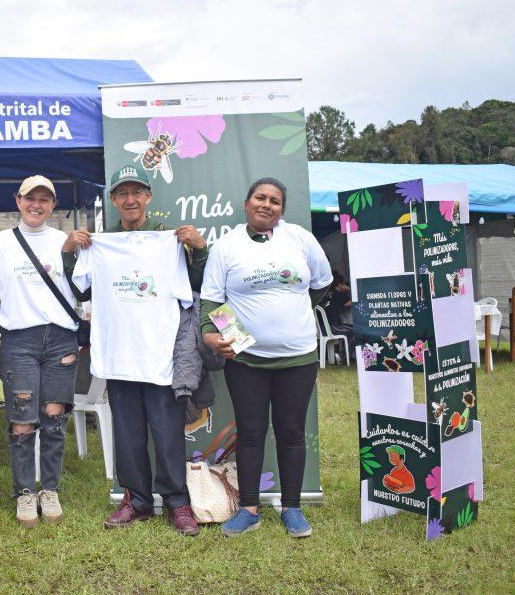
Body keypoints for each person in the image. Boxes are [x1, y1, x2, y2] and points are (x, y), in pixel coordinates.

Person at [63, 164, 208, 536]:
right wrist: (69, 254)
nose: (130, 199)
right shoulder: (101, 244)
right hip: (120, 355)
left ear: (147, 198)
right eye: (122, 194)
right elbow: (81, 291)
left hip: (159, 354)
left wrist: (200, 250)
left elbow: (193, 287)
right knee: (127, 433)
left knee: (168, 432)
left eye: (136, 193)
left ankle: (177, 502)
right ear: (114, 200)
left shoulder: (168, 242)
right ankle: (137, 500)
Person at [200, 177, 332, 538]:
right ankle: (249, 509)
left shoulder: (300, 239)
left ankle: (292, 508)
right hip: (246, 360)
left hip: (298, 357)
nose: (267, 204)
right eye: (260, 197)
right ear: (246, 203)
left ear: (282, 210)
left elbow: (322, 284)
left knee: (291, 431)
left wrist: (292, 318)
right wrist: (222, 335)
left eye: (275, 201)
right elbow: (212, 300)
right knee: (252, 432)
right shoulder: (226, 246)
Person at [0, 176, 80, 527]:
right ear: (18, 200)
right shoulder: (1, 243)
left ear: (53, 205)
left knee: (54, 417)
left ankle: (49, 489)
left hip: (60, 340)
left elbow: (82, 289)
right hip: (19, 341)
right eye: (29, 198)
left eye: (44, 199)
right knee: (23, 420)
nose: (36, 205)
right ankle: (25, 492)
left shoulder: (64, 241)